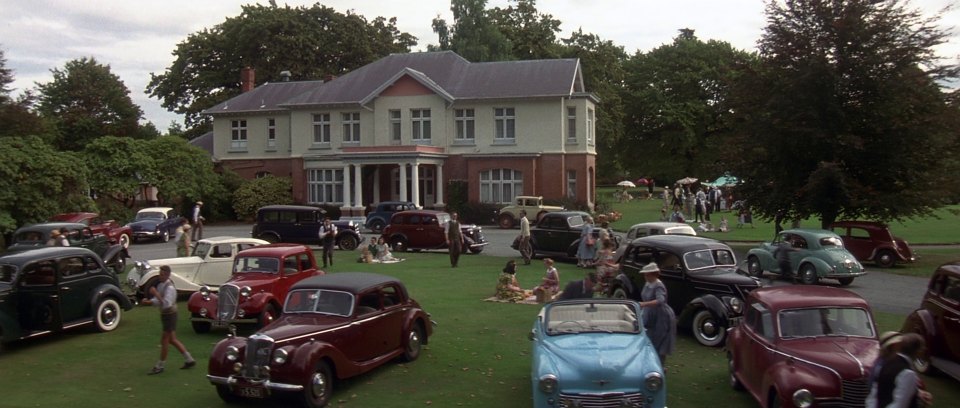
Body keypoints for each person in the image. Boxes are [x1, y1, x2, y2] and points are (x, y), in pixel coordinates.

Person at [141, 265, 195, 374]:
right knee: (172, 339)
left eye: (162, 274)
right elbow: (158, 300)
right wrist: (150, 301)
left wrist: (155, 294)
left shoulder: (170, 288)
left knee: (165, 340)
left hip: (170, 315)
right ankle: (189, 359)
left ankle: (160, 365)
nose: (160, 276)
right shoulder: (162, 285)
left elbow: (166, 304)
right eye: (160, 274)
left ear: (167, 275)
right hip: (165, 315)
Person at [866, 333, 934, 408]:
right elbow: (899, 405)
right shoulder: (908, 373)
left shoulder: (886, 363)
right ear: (918, 351)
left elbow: (874, 394)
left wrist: (917, 393)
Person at [637, 263, 676, 365]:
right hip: (649, 313)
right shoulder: (647, 284)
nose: (645, 276)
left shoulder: (658, 285)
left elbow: (660, 300)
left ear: (652, 274)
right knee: (648, 336)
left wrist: (645, 304)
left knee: (659, 339)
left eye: (647, 274)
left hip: (660, 316)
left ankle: (659, 364)